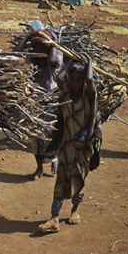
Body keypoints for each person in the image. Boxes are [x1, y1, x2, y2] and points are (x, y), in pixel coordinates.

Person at [38, 53, 101, 233]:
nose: (73, 84)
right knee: (60, 180)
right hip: (66, 146)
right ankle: (54, 217)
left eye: (77, 81)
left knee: (78, 179)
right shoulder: (65, 94)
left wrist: (89, 63)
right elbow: (59, 77)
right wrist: (71, 62)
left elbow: (89, 80)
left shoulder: (89, 98)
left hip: (83, 148)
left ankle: (75, 211)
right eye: (71, 80)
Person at [14, 24, 64, 178]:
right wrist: (28, 37)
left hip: (52, 102)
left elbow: (51, 61)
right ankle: (39, 168)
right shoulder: (31, 57)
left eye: (42, 48)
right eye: (36, 47)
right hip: (35, 102)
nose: (38, 51)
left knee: (52, 135)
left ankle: (54, 157)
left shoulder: (57, 56)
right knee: (35, 137)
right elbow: (16, 54)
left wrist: (54, 42)